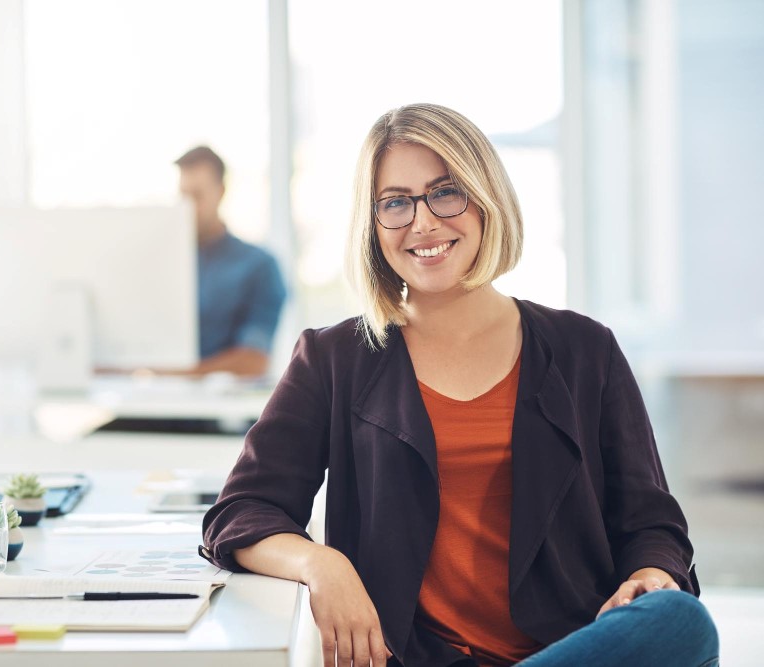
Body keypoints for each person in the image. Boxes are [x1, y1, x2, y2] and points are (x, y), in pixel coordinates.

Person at [200, 104, 718, 666]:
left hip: (572, 647)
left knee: (681, 621)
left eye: (445, 192)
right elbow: (241, 511)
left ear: (485, 198)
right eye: (395, 202)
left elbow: (650, 521)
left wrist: (649, 574)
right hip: (419, 657)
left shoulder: (585, 349)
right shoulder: (333, 358)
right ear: (373, 225)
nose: (422, 222)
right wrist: (323, 564)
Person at [175, 146, 287, 377]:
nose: (188, 208)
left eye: (197, 196)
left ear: (221, 192)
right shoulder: (164, 266)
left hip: (223, 409)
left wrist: (174, 374)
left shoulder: (259, 265)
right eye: (183, 196)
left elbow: (253, 361)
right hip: (149, 401)